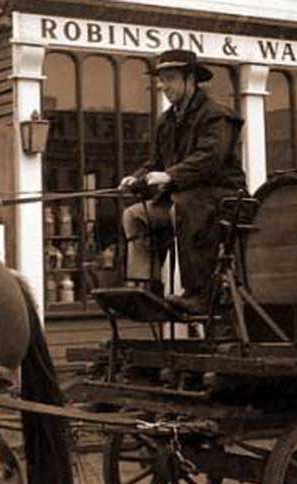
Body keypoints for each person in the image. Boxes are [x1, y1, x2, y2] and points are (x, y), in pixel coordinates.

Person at [119, 49, 247, 315]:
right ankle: (147, 289)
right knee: (135, 215)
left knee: (185, 205)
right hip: (181, 198)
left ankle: (199, 293)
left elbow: (209, 158)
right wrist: (136, 178)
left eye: (170, 78)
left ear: (191, 79)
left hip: (220, 198)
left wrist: (170, 176)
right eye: (161, 80)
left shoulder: (217, 115)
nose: (163, 86)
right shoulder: (165, 122)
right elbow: (155, 162)